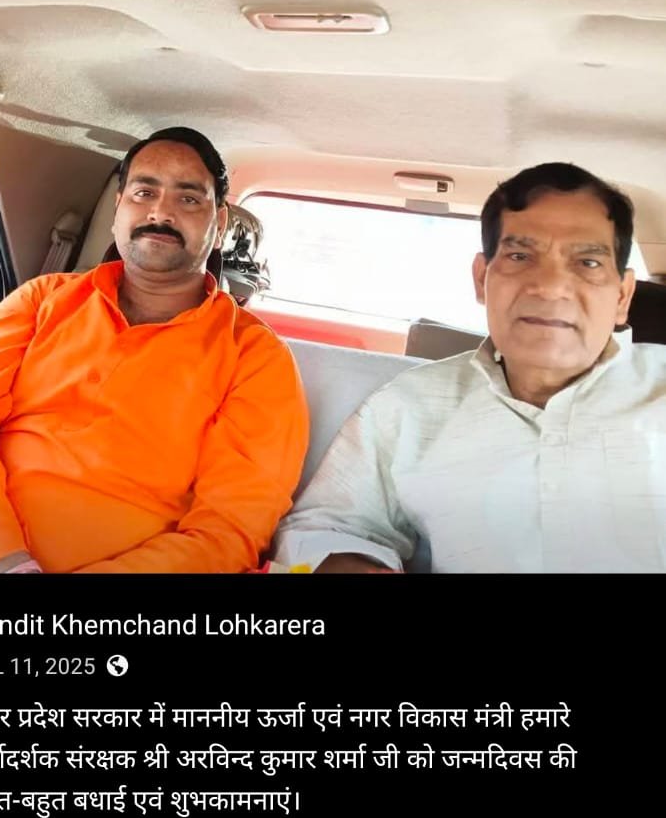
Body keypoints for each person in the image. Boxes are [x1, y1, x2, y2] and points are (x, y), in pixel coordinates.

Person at [0, 127, 308, 573]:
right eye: (144, 192)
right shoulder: (40, 300)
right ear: (118, 211)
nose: (161, 211)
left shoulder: (255, 356)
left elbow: (231, 528)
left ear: (219, 227)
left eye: (188, 198)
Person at [273, 162, 666, 574]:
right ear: (481, 279)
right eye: (520, 255)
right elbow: (326, 527)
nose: (550, 287)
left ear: (622, 296)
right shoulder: (409, 407)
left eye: (588, 263)